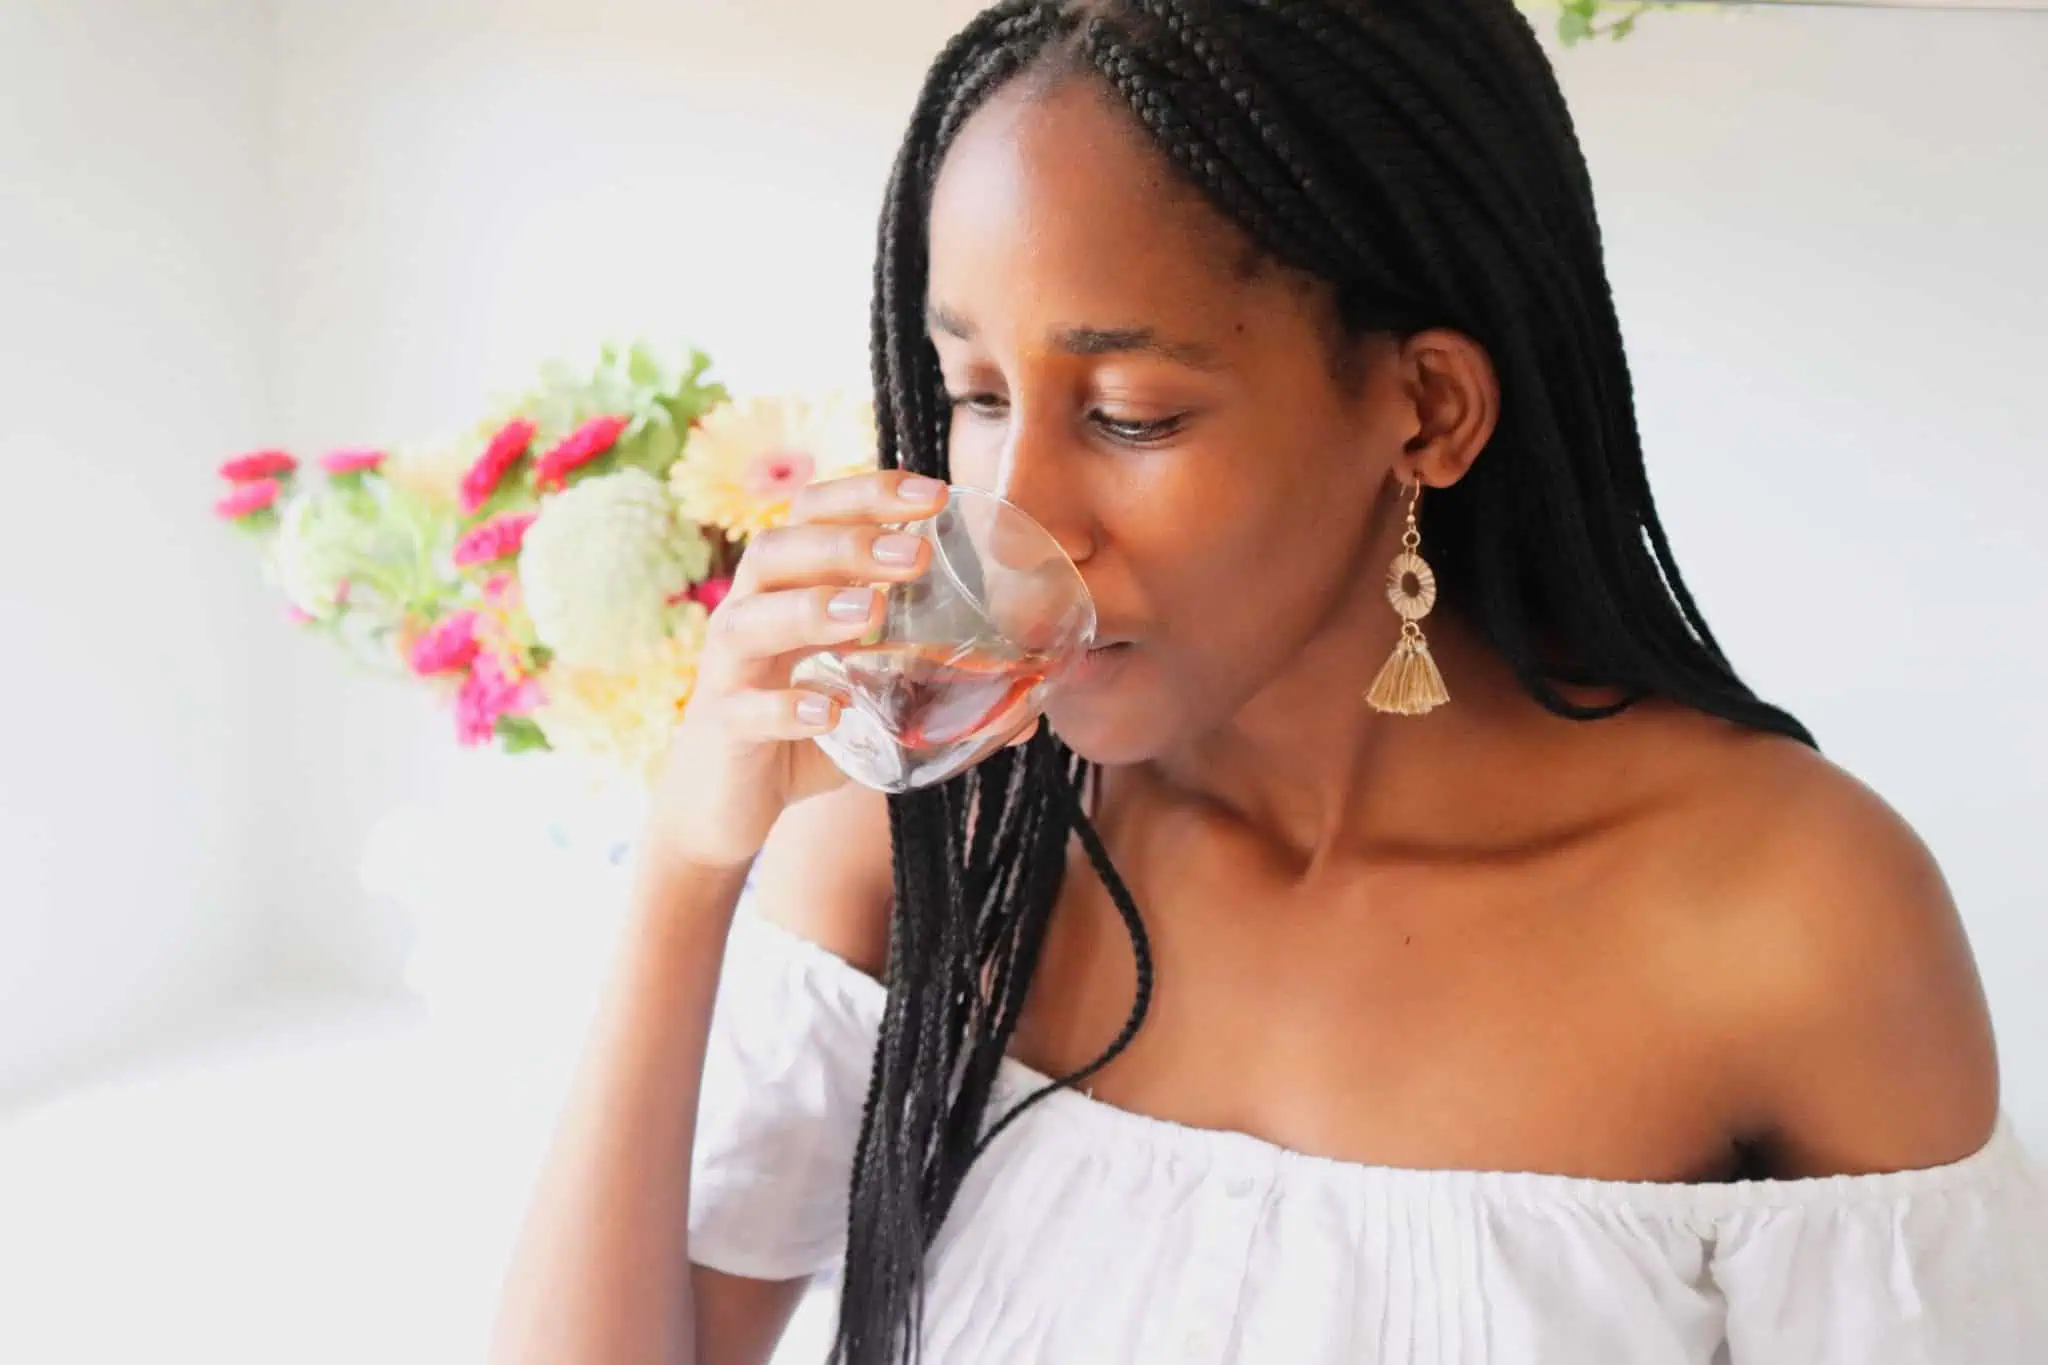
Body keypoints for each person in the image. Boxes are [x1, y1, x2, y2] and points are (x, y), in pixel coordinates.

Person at [488, 2, 2048, 1362]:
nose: (1019, 511)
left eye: (1135, 414)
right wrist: (689, 868)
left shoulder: (1789, 921)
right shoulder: (934, 841)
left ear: (1426, 409)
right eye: (973, 391)